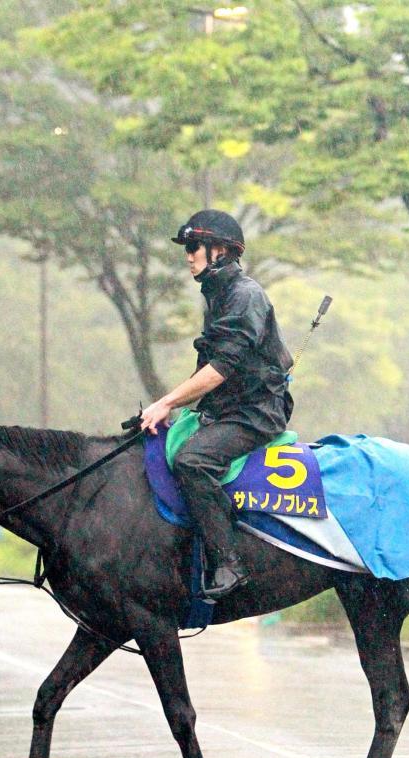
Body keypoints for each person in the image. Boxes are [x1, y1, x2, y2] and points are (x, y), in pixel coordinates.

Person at [140, 210, 294, 599]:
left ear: (221, 251)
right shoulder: (219, 295)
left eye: (193, 247)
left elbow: (221, 368)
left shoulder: (245, 296)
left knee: (192, 462)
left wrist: (166, 402)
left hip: (256, 413)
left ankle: (229, 563)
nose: (188, 256)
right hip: (226, 411)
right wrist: (173, 410)